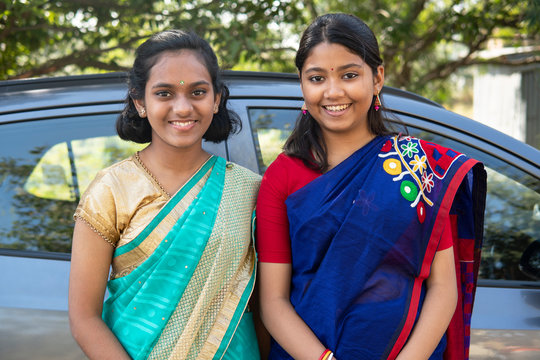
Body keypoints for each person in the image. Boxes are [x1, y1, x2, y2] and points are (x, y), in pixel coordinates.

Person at [256, 13, 487, 360]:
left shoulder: (415, 166)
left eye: (350, 75)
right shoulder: (283, 176)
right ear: (302, 84)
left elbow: (442, 287)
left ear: (377, 77)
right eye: (317, 78)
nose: (333, 92)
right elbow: (273, 301)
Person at [68, 29, 261, 360]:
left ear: (216, 100)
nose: (183, 108)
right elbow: (84, 317)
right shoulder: (112, 189)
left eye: (198, 92)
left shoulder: (249, 190)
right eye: (165, 94)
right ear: (140, 102)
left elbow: (258, 308)